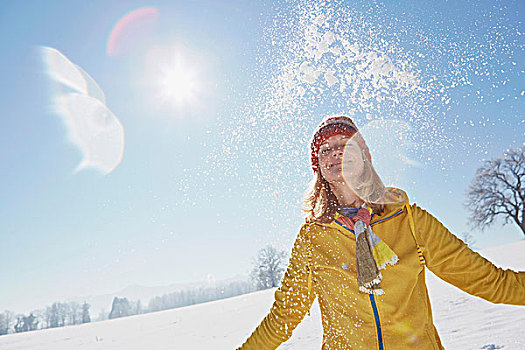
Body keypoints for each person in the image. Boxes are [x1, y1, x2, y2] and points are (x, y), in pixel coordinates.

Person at [238, 115, 525, 350]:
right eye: (325, 149)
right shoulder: (313, 239)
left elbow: (489, 281)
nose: (336, 152)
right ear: (319, 168)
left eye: (346, 144)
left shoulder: (409, 220)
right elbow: (284, 316)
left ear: (365, 158)